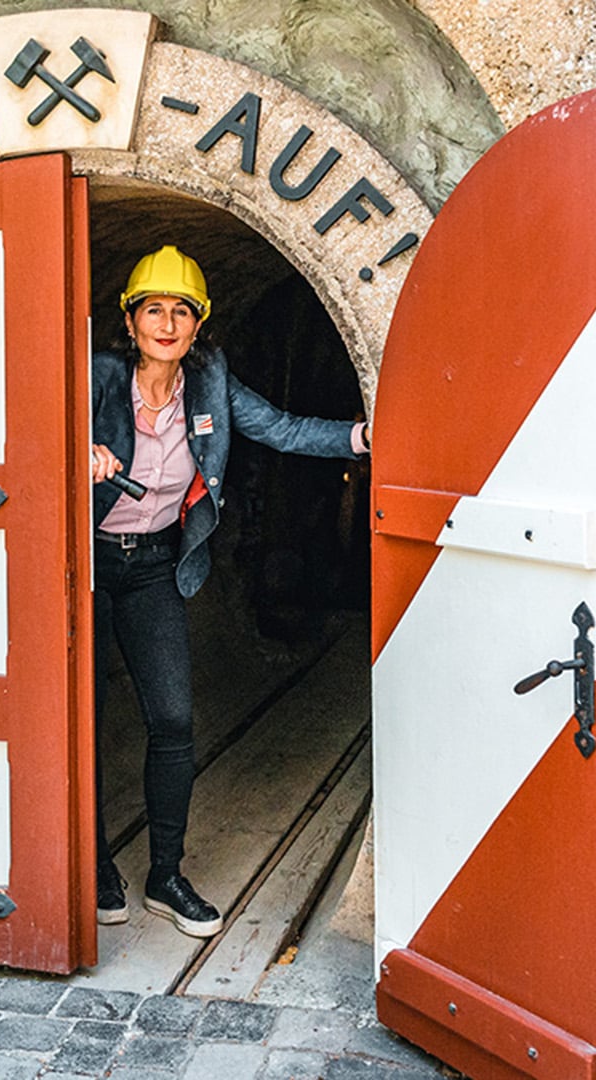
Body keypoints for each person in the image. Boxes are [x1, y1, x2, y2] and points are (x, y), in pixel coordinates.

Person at [89, 245, 369, 938]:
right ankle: (91, 863)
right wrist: (70, 447)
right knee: (79, 723)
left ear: (198, 325)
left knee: (174, 722)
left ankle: (165, 874)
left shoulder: (208, 380)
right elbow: (15, 430)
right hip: (85, 561)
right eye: (153, 308)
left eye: (181, 310)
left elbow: (281, 429)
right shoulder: (95, 376)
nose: (167, 322)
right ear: (130, 321)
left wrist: (367, 437)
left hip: (156, 564)